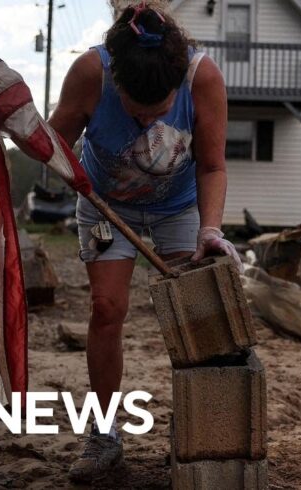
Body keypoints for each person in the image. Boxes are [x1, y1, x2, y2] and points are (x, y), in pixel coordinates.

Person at [48, 0, 241, 483]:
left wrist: (210, 230)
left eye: (159, 112)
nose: (148, 121)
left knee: (199, 312)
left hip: (179, 206)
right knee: (107, 308)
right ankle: (105, 434)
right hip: (104, 202)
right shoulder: (90, 71)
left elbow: (213, 164)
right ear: (116, 83)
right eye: (138, 112)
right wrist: (51, 158)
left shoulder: (203, 78)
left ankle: (198, 425)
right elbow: (54, 143)